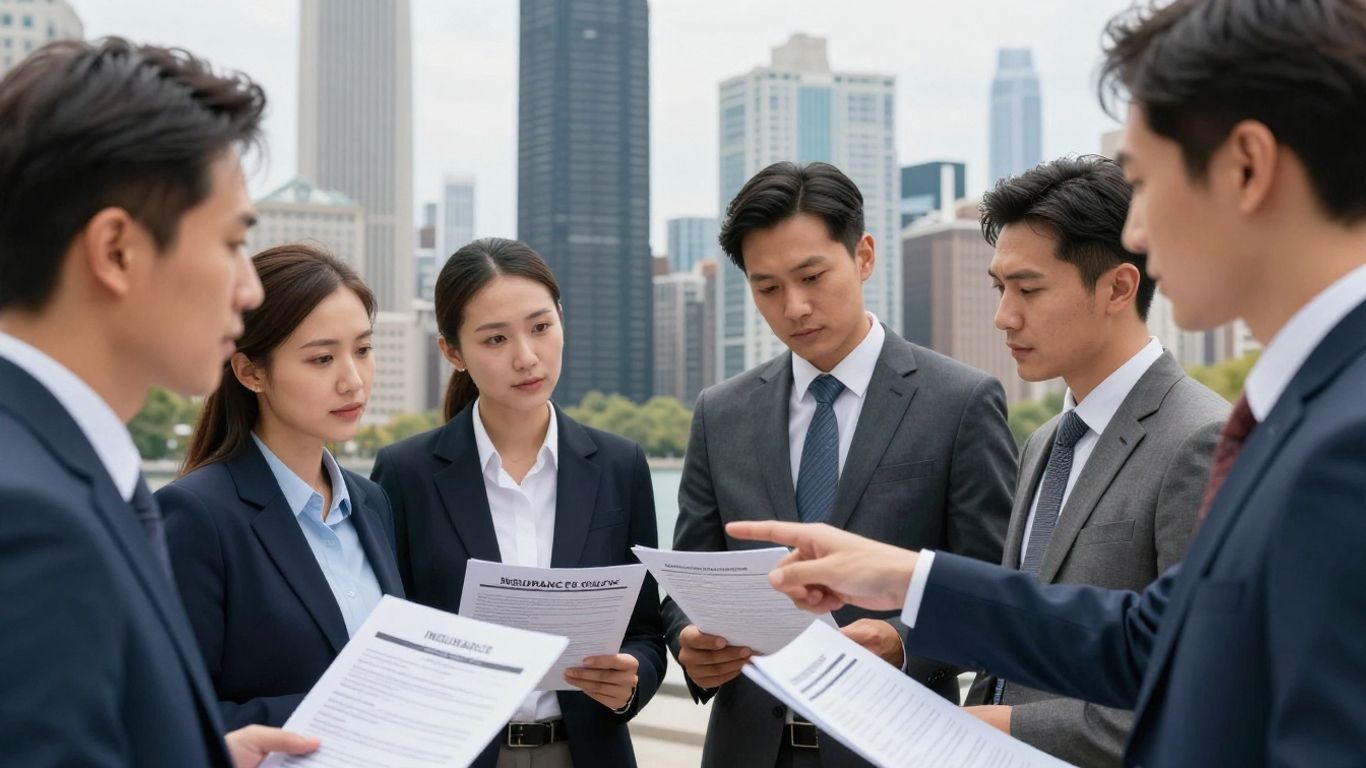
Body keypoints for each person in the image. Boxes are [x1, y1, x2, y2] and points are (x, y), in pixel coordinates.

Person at [729, 2, 1366, 763]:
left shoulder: (1339, 434)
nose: (1136, 229)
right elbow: (1154, 641)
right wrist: (908, 577)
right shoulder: (1297, 407)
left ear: (1247, 167)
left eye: (1144, 179)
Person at [0, 38, 317, 766]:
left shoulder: (56, 472)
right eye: (234, 241)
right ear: (116, 250)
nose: (252, 288)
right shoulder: (30, 522)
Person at [663, 160, 1017, 768]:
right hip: (747, 751)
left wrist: (905, 644)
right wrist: (688, 642)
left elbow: (995, 586)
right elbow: (686, 579)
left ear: (864, 257)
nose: (794, 307)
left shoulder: (959, 402)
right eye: (767, 287)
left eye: (812, 276)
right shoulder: (719, 413)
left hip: (893, 748)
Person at [961, 155, 1228, 765]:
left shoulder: (1202, 438)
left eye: (1028, 289)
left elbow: (1196, 691)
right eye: (1000, 288)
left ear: (1118, 287)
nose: (1005, 315)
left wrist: (1010, 730)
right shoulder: (1042, 442)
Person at [371, 238, 666, 768]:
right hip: (456, 754)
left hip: (587, 753)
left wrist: (630, 680)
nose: (526, 357)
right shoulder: (405, 474)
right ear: (452, 352)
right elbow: (388, 632)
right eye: (495, 339)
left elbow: (645, 629)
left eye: (540, 327)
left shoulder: (620, 466)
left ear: (562, 321)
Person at [157, 243, 405, 730]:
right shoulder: (196, 515)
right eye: (321, 360)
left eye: (363, 350)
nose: (353, 380)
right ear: (251, 372)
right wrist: (345, 711)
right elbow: (174, 716)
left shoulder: (371, 503)